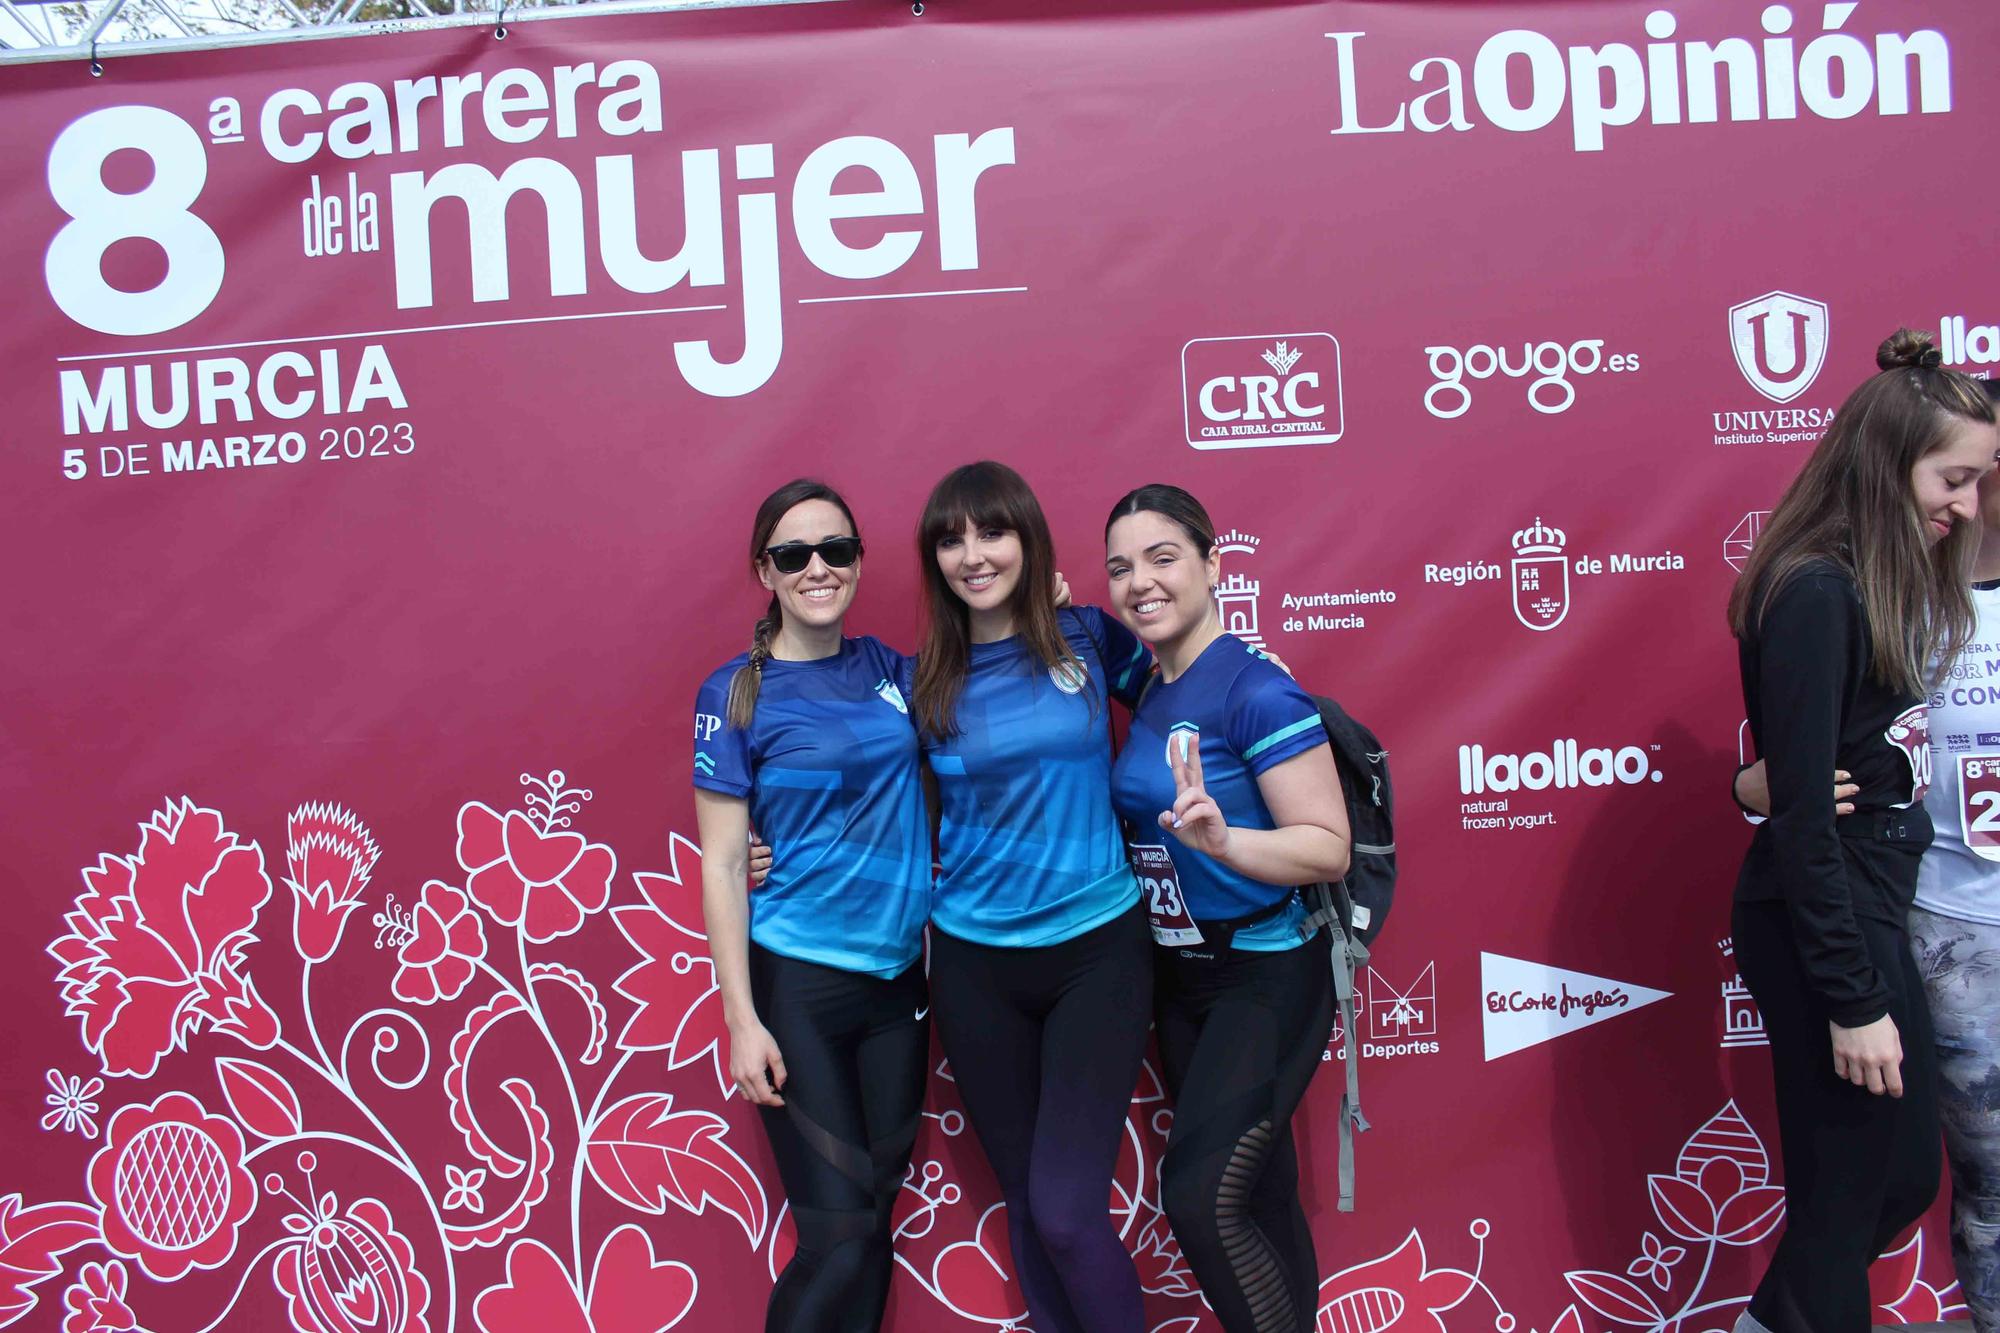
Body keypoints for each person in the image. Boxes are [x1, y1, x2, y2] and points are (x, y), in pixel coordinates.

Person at [1725, 330, 1999, 1333]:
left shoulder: (1868, 582)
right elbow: (1800, 820)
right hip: (1822, 921)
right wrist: (1847, 996)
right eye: (1953, 478)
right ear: (1887, 463)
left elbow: (1803, 775)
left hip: (1869, 906)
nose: (1964, 506)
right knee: (1843, 1207)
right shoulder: (1815, 590)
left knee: (1888, 1188)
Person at [908, 460, 1155, 1333]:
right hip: (974, 967)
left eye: (992, 531)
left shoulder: (1090, 637)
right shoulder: (921, 678)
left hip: (1098, 950)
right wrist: (758, 849)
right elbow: (855, 792)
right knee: (1024, 1201)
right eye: (951, 538)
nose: (973, 554)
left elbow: (1192, 697)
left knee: (1064, 1207)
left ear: (1028, 538)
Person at [1103, 483, 1352, 1333]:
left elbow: (1327, 844)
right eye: (1120, 567)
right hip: (1184, 978)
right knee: (1264, 1194)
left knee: (1203, 1196)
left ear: (1213, 564)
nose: (1141, 581)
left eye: (1164, 558)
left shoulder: (1255, 691)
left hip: (1265, 971)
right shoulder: (1157, 685)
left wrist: (1226, 845)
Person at [691, 479, 930, 1333]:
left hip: (900, 987)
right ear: (767, 569)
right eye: (795, 555)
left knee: (873, 1225)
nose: (818, 568)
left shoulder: (892, 671)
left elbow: (1000, 703)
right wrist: (740, 1019)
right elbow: (723, 861)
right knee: (837, 1234)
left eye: (836, 549)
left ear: (861, 560)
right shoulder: (734, 694)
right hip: (799, 988)